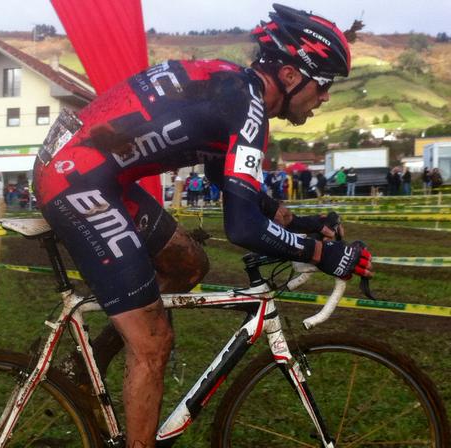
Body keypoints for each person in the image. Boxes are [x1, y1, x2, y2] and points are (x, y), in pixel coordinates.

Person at [33, 5, 373, 446]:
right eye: (323, 84)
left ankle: (85, 367)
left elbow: (225, 177)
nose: (324, 97)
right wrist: (323, 254)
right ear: (290, 75)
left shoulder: (235, 87)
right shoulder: (248, 107)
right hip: (77, 180)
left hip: (92, 173)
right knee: (153, 342)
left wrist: (302, 223)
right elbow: (242, 227)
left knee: (188, 264)